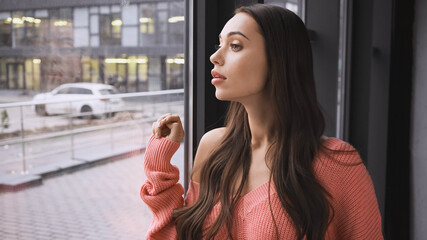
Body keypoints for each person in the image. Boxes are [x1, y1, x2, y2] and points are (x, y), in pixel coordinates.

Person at [140, 4, 383, 240]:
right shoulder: (213, 147)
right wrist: (159, 163)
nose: (215, 57)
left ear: (279, 59)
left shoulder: (337, 164)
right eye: (219, 44)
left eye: (235, 46)